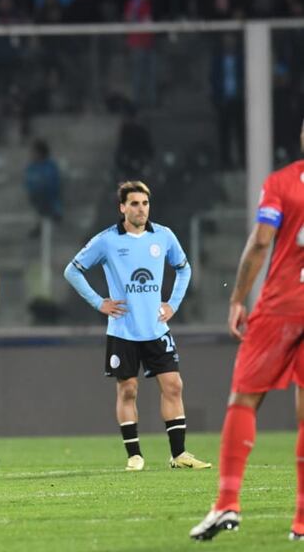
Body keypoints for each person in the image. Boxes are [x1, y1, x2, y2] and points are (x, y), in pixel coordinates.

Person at [190, 121, 304, 541]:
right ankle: (302, 522)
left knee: (244, 398)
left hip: (282, 306)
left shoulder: (282, 183)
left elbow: (260, 242)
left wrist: (237, 297)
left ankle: (227, 504)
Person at [63, 180, 210, 472]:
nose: (140, 209)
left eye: (144, 203)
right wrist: (98, 302)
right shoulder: (107, 240)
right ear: (122, 207)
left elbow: (183, 268)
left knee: (173, 385)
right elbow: (73, 270)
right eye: (134, 203)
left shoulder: (164, 236)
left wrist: (173, 304)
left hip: (156, 328)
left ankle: (179, 455)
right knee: (128, 390)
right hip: (123, 331)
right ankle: (134, 455)